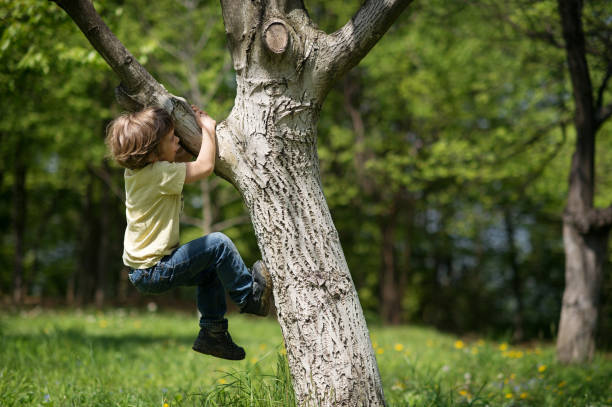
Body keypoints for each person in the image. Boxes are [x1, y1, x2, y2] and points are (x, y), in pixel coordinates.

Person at [105, 105, 272, 361]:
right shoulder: (160, 174)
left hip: (143, 272)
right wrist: (208, 129)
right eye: (172, 138)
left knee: (210, 272)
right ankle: (249, 297)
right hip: (155, 269)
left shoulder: (137, 173)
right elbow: (204, 167)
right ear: (152, 154)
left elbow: (178, 157)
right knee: (218, 244)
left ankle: (212, 333)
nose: (178, 141)